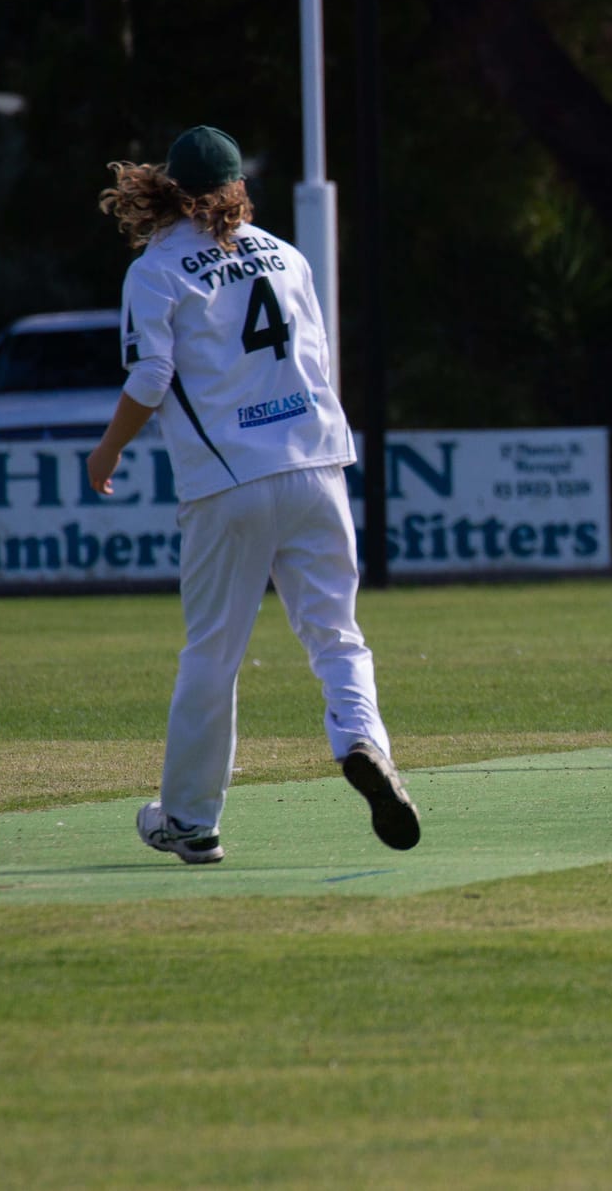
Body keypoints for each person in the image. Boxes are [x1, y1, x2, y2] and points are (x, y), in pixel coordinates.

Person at [88, 125, 419, 863]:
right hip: (318, 464)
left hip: (229, 480)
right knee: (337, 634)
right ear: (238, 186)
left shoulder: (156, 268)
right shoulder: (287, 254)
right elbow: (316, 356)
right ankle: (362, 738)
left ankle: (190, 818)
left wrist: (107, 449)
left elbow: (150, 378)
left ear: (168, 185)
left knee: (213, 651)